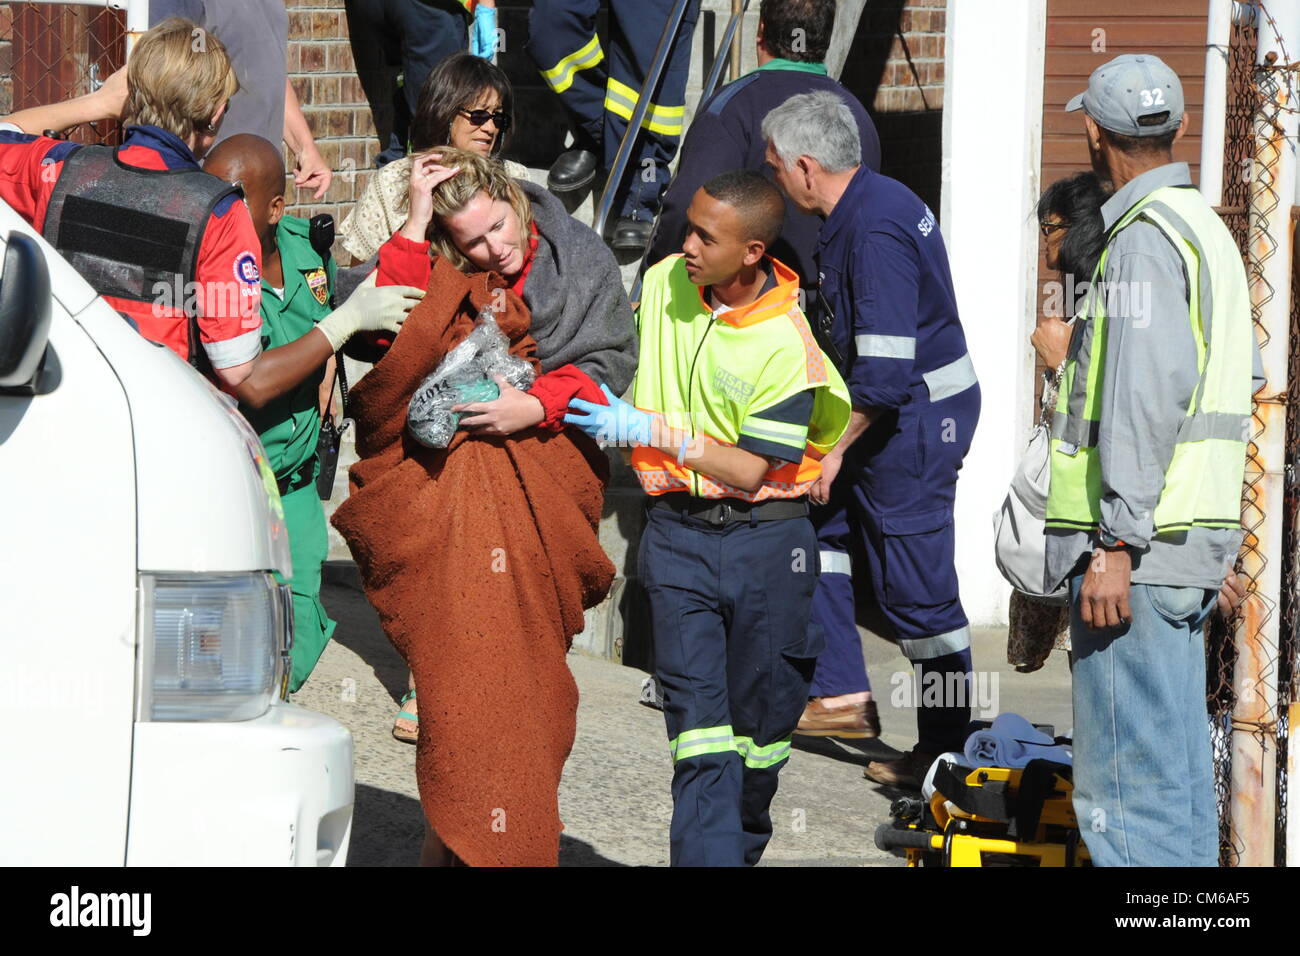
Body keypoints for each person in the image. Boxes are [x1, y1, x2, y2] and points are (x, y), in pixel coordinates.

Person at [336, 148, 637, 865]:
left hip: (538, 498)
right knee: (457, 696)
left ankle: (498, 837)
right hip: (449, 508)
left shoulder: (581, 261)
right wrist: (413, 219)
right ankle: (451, 843)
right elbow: (389, 345)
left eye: (499, 227)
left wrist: (531, 404)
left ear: (514, 198)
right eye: (471, 241)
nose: (492, 248)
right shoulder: (446, 267)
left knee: (527, 702)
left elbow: (611, 366)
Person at [566, 170, 850, 865]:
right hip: (678, 540)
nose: (685, 245)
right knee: (699, 742)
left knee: (757, 749)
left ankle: (734, 842)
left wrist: (649, 427)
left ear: (753, 251)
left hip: (767, 546)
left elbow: (752, 469)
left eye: (705, 236)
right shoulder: (662, 284)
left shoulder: (785, 343)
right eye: (688, 225)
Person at [1048, 54, 1260, 866]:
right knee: (1169, 789)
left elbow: (1144, 401)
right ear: (1174, 127)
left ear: (1095, 132)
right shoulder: (1204, 229)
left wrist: (1115, 545)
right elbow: (1231, 385)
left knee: (1126, 799)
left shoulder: (1139, 245)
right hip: (1185, 548)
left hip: (1138, 558)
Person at [763, 92, 980, 784]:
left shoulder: (875, 229)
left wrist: (833, 450)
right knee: (821, 529)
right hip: (900, 420)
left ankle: (944, 754)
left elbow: (885, 376)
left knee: (921, 598)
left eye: (774, 169)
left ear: (804, 167)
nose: (772, 182)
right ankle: (843, 693)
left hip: (912, 430)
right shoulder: (871, 204)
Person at [203, 134, 425, 693]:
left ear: (277, 208)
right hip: (232, 487)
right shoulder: (209, 272)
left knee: (291, 638)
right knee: (223, 646)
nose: (216, 214)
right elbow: (252, 383)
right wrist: (340, 326)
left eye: (232, 200)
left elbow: (347, 318)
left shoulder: (309, 248)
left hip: (296, 485)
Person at [0, 18, 263, 388]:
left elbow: (6, 132)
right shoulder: (220, 212)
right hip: (162, 407)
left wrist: (97, 103)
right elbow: (235, 364)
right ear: (216, 114)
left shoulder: (57, 170)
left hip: (62, 389)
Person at [643, 0, 882, 289]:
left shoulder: (731, 107)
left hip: (747, 314)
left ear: (761, 31)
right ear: (825, 38)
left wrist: (659, 275)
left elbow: (686, 205)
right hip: (829, 308)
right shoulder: (857, 117)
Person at [526, 0, 701, 250]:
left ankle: (640, 182)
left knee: (647, 47)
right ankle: (599, 130)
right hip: (598, 123)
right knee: (550, 27)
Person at [339, 52, 526, 264]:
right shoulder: (395, 181)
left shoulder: (514, 176)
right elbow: (359, 276)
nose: (490, 128)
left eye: (498, 118)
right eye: (479, 116)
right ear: (444, 112)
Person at [345, 0, 498, 168]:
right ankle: (438, 184)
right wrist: (486, 7)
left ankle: (394, 176)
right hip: (429, 7)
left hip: (371, 7)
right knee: (441, 118)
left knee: (411, 94)